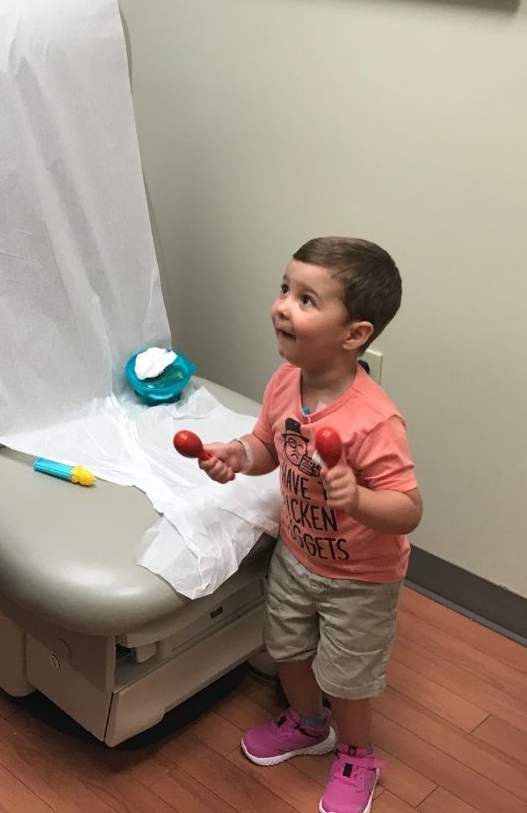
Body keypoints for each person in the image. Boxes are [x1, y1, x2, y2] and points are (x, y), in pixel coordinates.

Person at [198, 237, 422, 813]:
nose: (282, 307)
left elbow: (408, 508)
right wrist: (237, 456)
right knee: (288, 652)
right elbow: (267, 446)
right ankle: (307, 724)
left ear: (355, 336)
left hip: (361, 578)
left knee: (348, 677)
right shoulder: (283, 382)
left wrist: (359, 498)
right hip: (297, 556)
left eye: (306, 299)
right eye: (284, 290)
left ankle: (357, 754)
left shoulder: (375, 421)